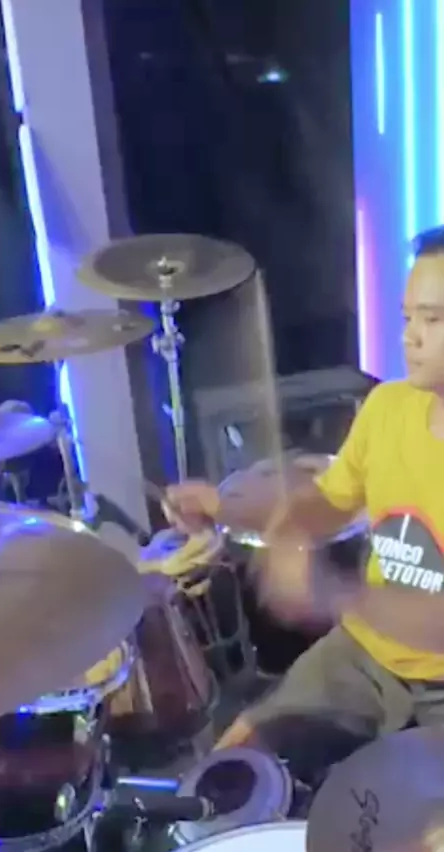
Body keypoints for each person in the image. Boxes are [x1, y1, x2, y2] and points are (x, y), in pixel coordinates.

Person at [164, 225, 444, 784]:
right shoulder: (387, 408)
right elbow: (330, 501)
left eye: (432, 320)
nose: (410, 337)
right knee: (235, 764)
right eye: (407, 317)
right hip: (363, 656)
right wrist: (225, 507)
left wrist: (331, 591)